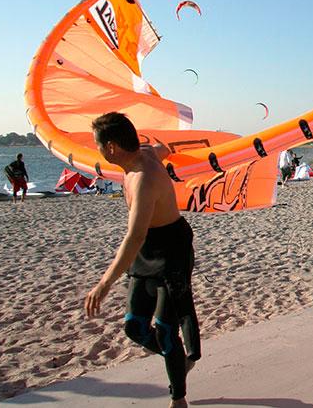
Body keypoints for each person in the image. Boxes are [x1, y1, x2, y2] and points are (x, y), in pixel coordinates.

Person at [84, 112, 199, 408]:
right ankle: (175, 357)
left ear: (111, 147)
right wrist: (166, 151)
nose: (95, 149)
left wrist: (104, 283)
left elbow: (133, 237)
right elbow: (162, 148)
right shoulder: (143, 154)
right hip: (148, 249)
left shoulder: (144, 179)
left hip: (171, 251)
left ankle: (178, 398)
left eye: (97, 144)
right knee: (134, 327)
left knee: (164, 329)